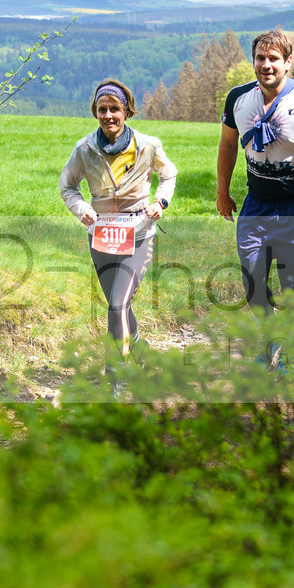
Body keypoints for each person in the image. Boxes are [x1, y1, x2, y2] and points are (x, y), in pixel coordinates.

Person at [59, 79, 177, 382]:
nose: (108, 115)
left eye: (115, 109)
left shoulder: (147, 146)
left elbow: (168, 176)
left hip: (138, 233)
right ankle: (138, 348)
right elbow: (67, 186)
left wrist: (160, 202)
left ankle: (117, 376)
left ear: (127, 111)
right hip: (101, 236)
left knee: (117, 304)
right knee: (117, 305)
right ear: (95, 112)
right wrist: (82, 208)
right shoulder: (85, 148)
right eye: (102, 109)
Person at [217, 30, 294, 315]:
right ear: (253, 60)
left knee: (291, 287)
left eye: (273, 58)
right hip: (256, 204)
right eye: (260, 58)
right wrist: (222, 191)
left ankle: (290, 353)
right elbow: (228, 144)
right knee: (252, 284)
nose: (266, 65)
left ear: (288, 62)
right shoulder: (238, 98)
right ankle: (269, 343)